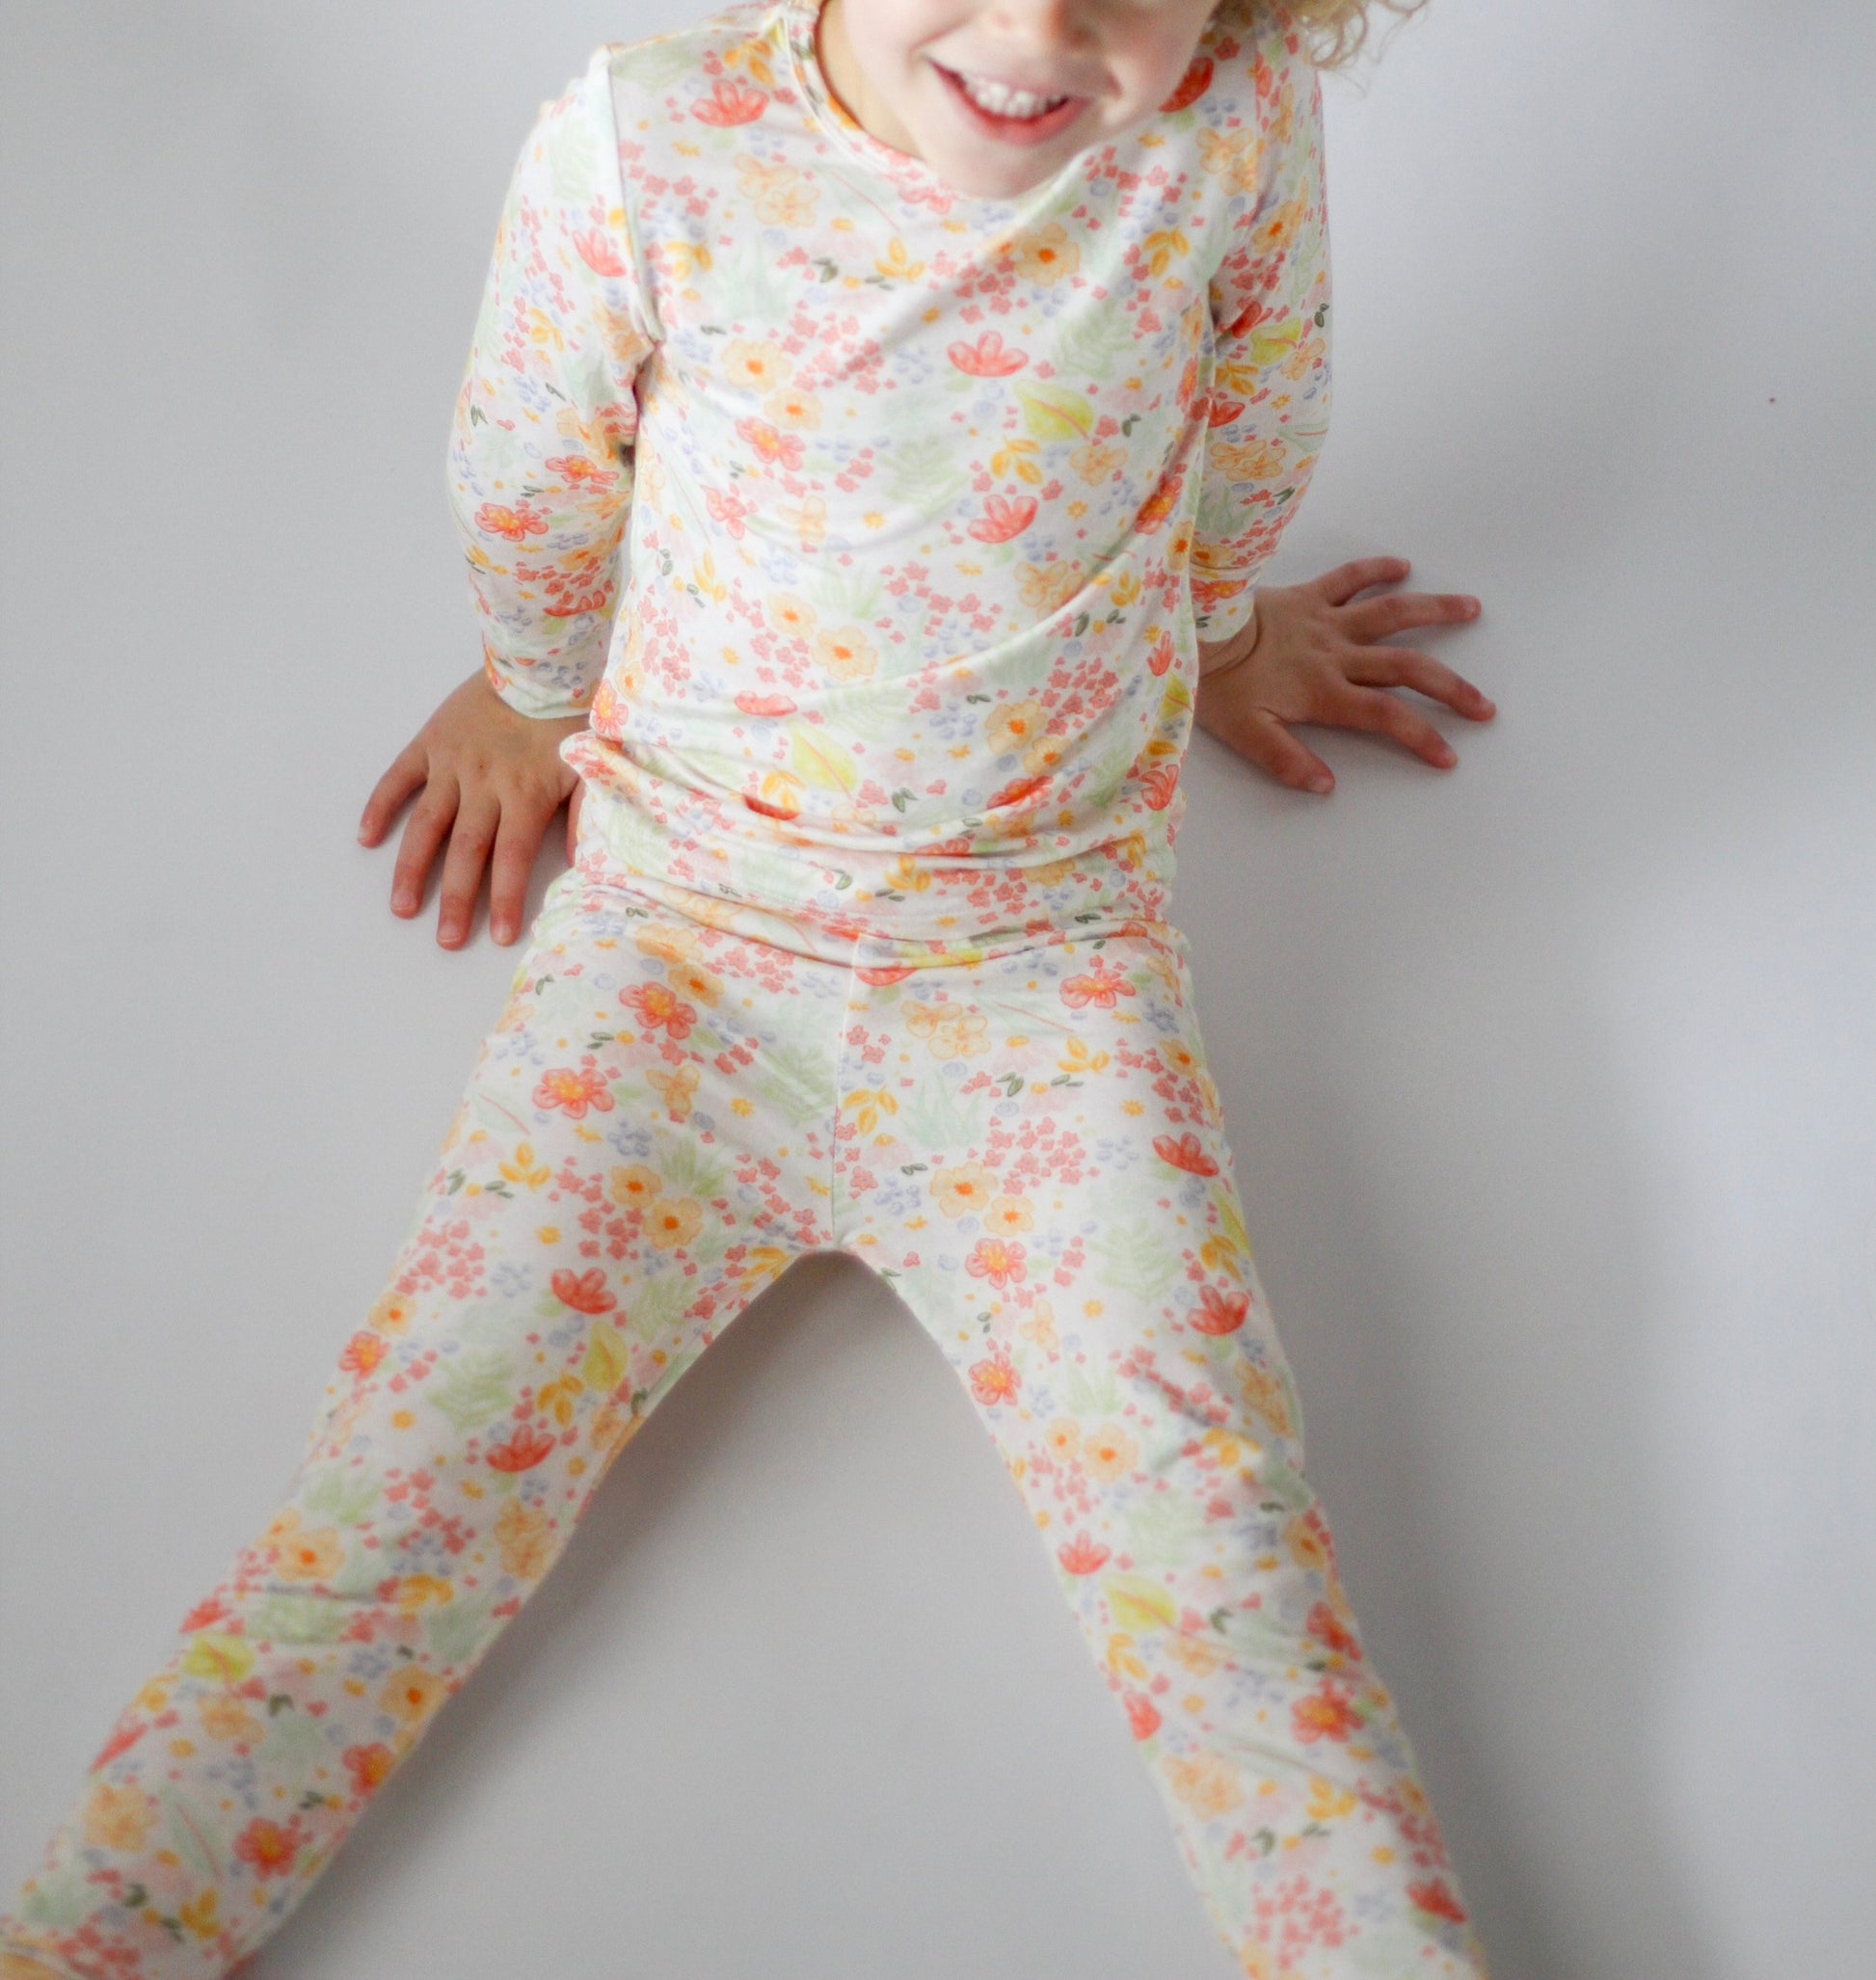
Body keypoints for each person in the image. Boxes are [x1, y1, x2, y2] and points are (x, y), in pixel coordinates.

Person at [0, 0, 1497, 1973]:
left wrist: (1218, 629)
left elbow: (1254, 411)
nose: (1043, 26)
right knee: (395, 1503)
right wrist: (539, 693)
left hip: (1045, 1001)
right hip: (675, 974)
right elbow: (532, 472)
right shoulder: (649, 140)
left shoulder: (1223, 127)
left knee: (1220, 1553)